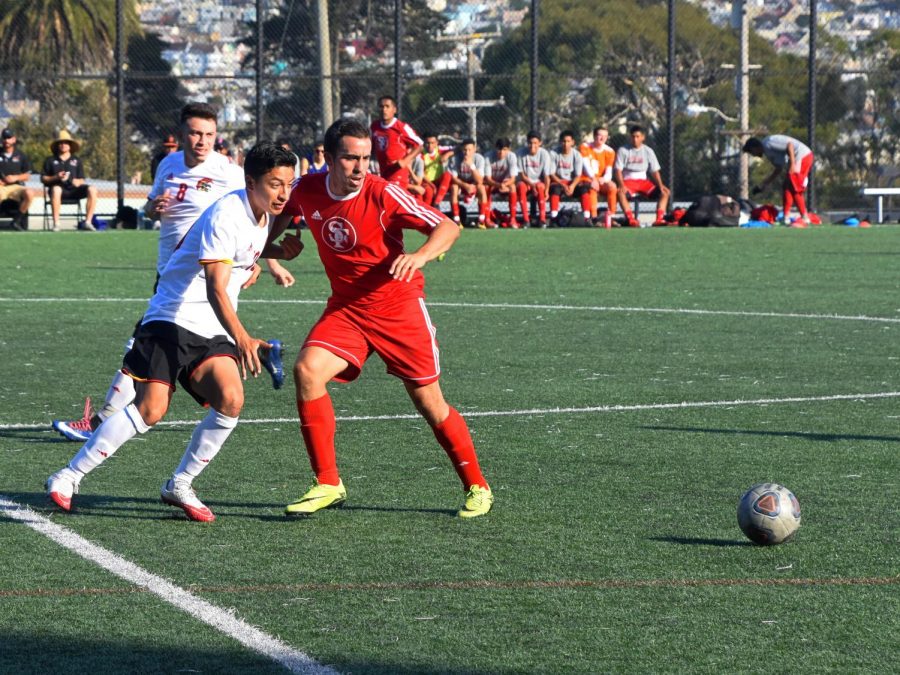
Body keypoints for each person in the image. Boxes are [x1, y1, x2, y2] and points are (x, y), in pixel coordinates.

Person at [46, 141, 301, 522]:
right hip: (172, 318)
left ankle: (179, 483)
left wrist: (277, 255)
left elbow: (245, 253)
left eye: (289, 184)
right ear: (251, 182)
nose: (283, 193)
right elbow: (216, 288)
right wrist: (244, 338)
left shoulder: (260, 214)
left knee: (231, 400)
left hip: (212, 328)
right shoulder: (227, 213)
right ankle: (68, 476)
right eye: (275, 183)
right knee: (151, 409)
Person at [274, 117, 493, 519]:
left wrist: (421, 255)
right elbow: (271, 220)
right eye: (349, 159)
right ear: (327, 158)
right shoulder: (305, 190)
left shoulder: (384, 193)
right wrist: (272, 251)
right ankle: (328, 482)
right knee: (307, 371)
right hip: (347, 310)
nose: (359, 168)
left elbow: (447, 225)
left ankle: (477, 486)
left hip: (398, 308)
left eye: (365, 158)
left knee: (430, 403)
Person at [52, 103, 290, 443]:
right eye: (195, 133)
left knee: (141, 345)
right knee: (150, 352)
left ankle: (101, 422)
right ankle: (129, 414)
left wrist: (264, 264)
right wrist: (152, 208)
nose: (202, 140)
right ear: (181, 135)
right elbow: (151, 207)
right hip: (170, 270)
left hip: (200, 278)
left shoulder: (229, 171)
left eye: (209, 134)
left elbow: (255, 215)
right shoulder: (168, 164)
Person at [743, 135, 814, 226]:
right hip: (796, 159)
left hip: (802, 155)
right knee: (786, 186)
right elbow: (778, 169)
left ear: (754, 147)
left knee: (794, 187)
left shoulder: (768, 143)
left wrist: (792, 164)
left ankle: (805, 217)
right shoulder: (767, 152)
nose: (753, 155)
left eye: (751, 151)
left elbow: (790, 145)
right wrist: (765, 184)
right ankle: (786, 217)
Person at [41, 129, 99, 231]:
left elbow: (82, 179)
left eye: (66, 142)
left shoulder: (77, 161)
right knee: (56, 189)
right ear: (57, 145)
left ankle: (88, 222)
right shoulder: (50, 160)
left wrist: (77, 182)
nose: (63, 145)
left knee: (92, 189)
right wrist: (56, 177)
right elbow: (43, 178)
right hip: (58, 191)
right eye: (61, 143)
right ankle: (56, 224)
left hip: (74, 190)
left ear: (70, 145)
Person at [614, 124, 670, 227]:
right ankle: (630, 219)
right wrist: (622, 185)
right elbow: (618, 170)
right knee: (620, 193)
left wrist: (660, 185)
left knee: (665, 192)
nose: (635, 139)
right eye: (633, 137)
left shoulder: (648, 151)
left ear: (643, 137)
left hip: (643, 182)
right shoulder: (623, 150)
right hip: (628, 181)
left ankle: (659, 219)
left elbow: (654, 171)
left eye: (637, 136)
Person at [369, 95, 423, 188]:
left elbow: (420, 145)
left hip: (397, 172)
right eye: (381, 106)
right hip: (382, 170)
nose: (384, 109)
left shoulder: (401, 127)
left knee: (394, 198)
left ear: (394, 110)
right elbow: (371, 146)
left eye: (387, 106)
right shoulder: (374, 126)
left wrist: (405, 161)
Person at [579, 125, 618, 228]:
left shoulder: (610, 151)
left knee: (612, 186)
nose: (602, 138)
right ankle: (594, 218)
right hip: (587, 179)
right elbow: (586, 165)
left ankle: (611, 217)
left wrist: (604, 179)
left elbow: (609, 173)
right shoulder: (585, 147)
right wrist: (594, 179)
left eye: (605, 136)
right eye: (600, 135)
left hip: (600, 180)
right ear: (594, 136)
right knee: (592, 187)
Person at [548, 130, 590, 226]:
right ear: (560, 142)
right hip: (558, 182)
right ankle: (554, 218)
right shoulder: (553, 154)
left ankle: (587, 218)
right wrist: (562, 184)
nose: (566, 144)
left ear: (572, 142)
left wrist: (572, 186)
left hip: (572, 183)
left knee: (584, 189)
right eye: (563, 141)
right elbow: (552, 174)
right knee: (555, 189)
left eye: (568, 141)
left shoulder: (577, 155)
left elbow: (578, 175)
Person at [447, 138, 491, 228]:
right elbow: (453, 178)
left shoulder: (479, 159)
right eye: (465, 150)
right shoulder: (455, 159)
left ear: (474, 149)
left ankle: (481, 220)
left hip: (474, 184)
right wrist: (465, 186)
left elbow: (480, 180)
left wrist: (471, 165)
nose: (467, 152)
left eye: (469, 150)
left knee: (482, 188)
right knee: (454, 187)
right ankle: (456, 220)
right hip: (461, 184)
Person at [0, 128, 36, 231]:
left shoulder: (21, 155)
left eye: (9, 138)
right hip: (1, 187)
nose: (6, 140)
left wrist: (15, 177)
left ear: (14, 139)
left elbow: (27, 175)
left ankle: (16, 221)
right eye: (4, 138)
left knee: (30, 193)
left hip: (16, 186)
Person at [516, 131, 552, 228]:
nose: (532, 146)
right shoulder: (520, 153)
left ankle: (542, 220)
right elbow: (522, 175)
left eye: (535, 143)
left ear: (540, 143)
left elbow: (546, 176)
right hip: (526, 182)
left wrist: (547, 190)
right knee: (521, 186)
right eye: (530, 143)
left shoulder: (545, 154)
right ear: (527, 142)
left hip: (539, 183)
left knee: (541, 187)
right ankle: (526, 220)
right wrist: (532, 185)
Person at [485, 137, 520, 228]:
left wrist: (504, 184)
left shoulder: (512, 156)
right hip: (492, 184)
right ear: (495, 148)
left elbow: (513, 178)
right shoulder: (488, 156)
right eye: (499, 149)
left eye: (504, 149)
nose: (501, 152)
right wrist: (499, 185)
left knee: (513, 187)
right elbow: (487, 179)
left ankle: (512, 219)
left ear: (509, 149)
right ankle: (487, 219)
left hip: (505, 184)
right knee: (485, 187)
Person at [418, 133, 453, 207]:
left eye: (432, 143)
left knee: (447, 175)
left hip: (438, 180)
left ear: (437, 143)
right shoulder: (421, 154)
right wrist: (432, 185)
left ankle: (436, 203)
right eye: (427, 143)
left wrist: (448, 154)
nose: (430, 145)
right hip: (427, 182)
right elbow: (421, 173)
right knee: (429, 192)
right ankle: (427, 213)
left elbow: (458, 148)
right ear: (424, 143)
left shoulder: (440, 150)